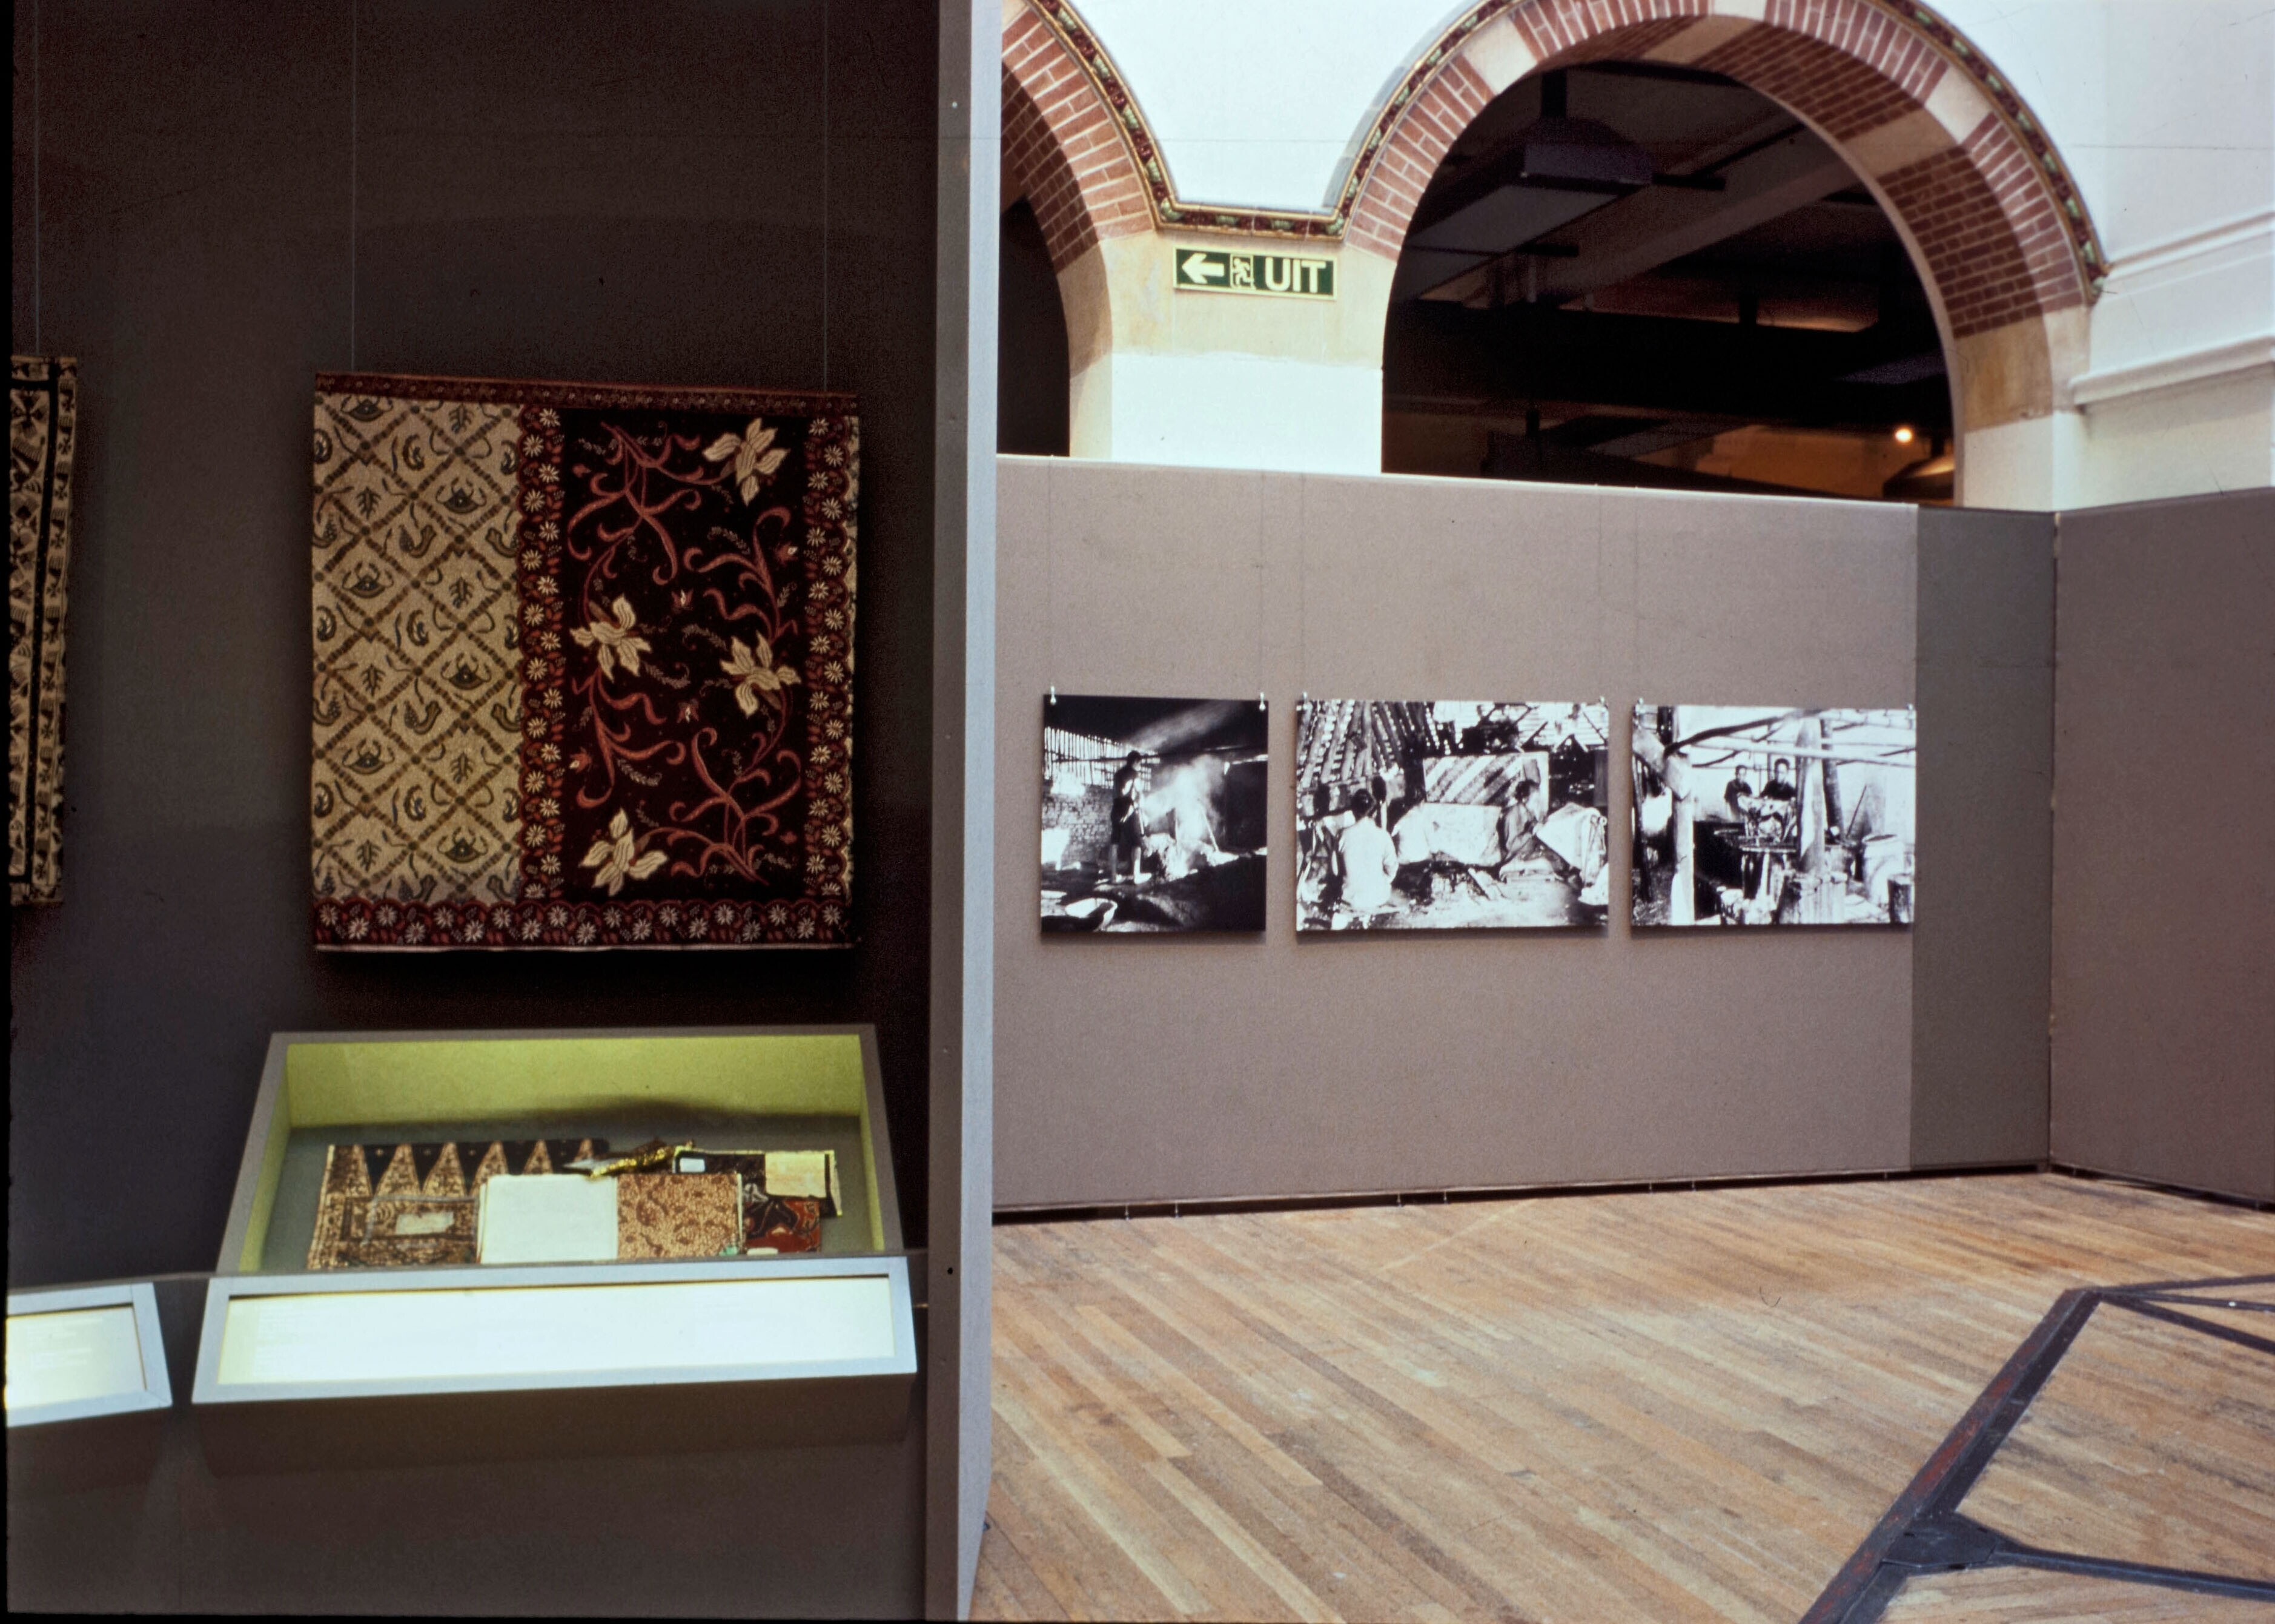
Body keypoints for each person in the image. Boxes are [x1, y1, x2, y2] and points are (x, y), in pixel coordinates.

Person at [1336, 788, 1399, 921]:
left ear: (1353, 811)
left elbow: (1335, 871)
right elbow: (1392, 868)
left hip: (1351, 898)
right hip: (1379, 896)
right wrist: (1384, 880)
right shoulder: (1383, 836)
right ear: (1374, 813)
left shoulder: (1342, 835)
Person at [1494, 777, 1543, 882]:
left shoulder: (1529, 812)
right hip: (1512, 857)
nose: (1537, 804)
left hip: (1525, 853)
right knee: (1546, 864)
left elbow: (1533, 828)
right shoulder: (1511, 816)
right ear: (1524, 799)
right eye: (1535, 801)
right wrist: (1530, 832)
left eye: (1538, 801)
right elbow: (1510, 847)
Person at [1108, 751, 1145, 882]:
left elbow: (1116, 794)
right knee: (1137, 844)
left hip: (1116, 809)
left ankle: (1113, 876)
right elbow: (1140, 795)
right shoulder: (1135, 774)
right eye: (1140, 764)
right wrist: (1135, 807)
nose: (1140, 766)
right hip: (1128, 809)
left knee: (1114, 843)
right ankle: (1136, 876)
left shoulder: (1118, 774)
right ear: (1135, 762)